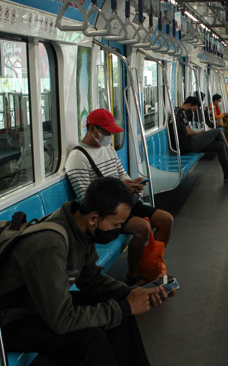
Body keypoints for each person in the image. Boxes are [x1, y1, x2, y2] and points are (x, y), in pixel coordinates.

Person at [0, 177, 175, 366]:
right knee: (90, 339)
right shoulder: (49, 244)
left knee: (116, 300)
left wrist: (134, 293)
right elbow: (62, 320)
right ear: (94, 219)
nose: (118, 229)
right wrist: (125, 307)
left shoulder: (79, 229)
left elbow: (92, 282)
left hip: (37, 304)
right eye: (117, 224)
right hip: (9, 320)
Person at [65, 109, 175, 283]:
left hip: (123, 204)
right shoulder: (78, 158)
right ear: (93, 129)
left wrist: (131, 184)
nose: (109, 136)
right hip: (105, 214)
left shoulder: (107, 148)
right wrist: (119, 188)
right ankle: (133, 275)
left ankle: (149, 267)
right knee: (142, 228)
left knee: (166, 220)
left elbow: (121, 173)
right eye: (106, 132)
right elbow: (86, 201)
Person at [172, 96, 228, 182]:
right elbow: (189, 132)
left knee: (220, 146)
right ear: (189, 105)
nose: (193, 112)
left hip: (184, 144)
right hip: (188, 144)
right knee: (217, 131)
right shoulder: (182, 113)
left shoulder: (176, 111)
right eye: (193, 109)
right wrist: (201, 132)